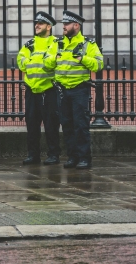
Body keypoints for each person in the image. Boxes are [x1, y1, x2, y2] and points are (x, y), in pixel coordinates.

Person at [43, 10, 103, 170]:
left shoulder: (87, 45)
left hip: (79, 90)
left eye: (67, 24)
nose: (63, 26)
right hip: (62, 90)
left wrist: (83, 58)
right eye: (63, 24)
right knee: (67, 125)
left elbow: (99, 64)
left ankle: (84, 158)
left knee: (81, 125)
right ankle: (72, 157)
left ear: (76, 25)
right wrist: (54, 58)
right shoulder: (57, 44)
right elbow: (46, 63)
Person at [17, 11, 60, 165]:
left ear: (49, 26)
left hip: (49, 90)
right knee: (32, 125)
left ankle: (53, 155)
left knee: (51, 125)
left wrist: (31, 62)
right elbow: (20, 61)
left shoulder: (56, 43)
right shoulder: (29, 44)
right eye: (36, 23)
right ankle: (33, 155)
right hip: (31, 90)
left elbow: (53, 64)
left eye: (40, 23)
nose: (37, 25)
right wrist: (33, 63)